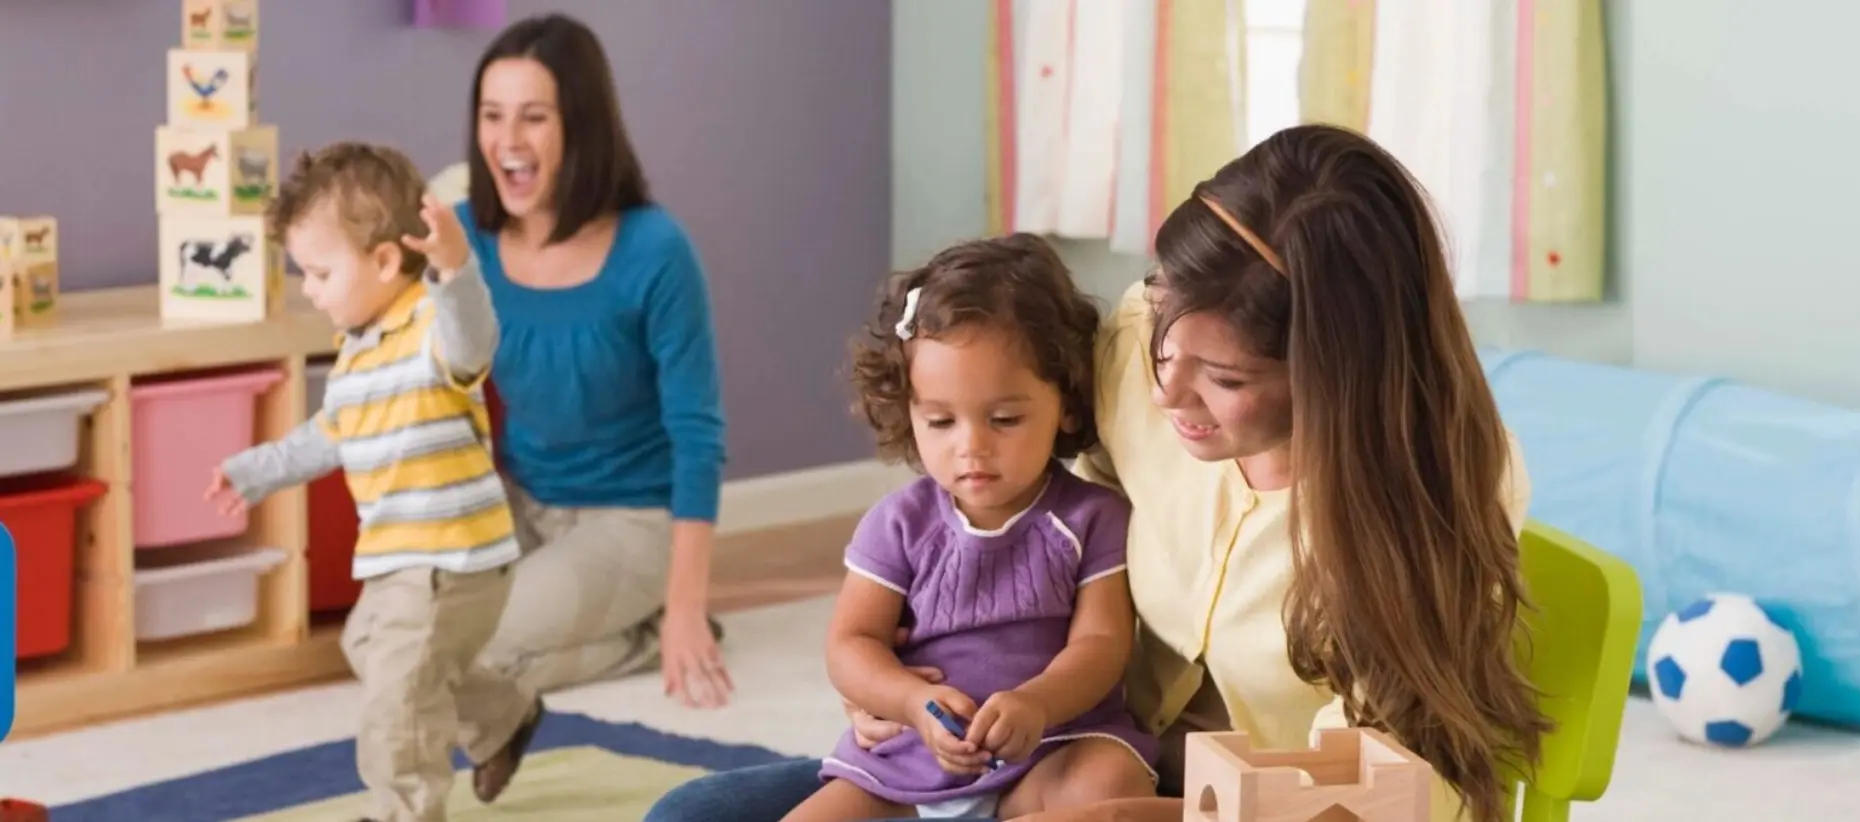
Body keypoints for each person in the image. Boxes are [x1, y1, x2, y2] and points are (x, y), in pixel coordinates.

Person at [645, 123, 1547, 822]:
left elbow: (1412, 791)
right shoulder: (1134, 348)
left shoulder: (1434, 499)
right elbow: (1028, 515)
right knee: (692, 811)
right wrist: (895, 683)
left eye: (1225, 380)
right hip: (1048, 753)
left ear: (1337, 378)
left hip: (1229, 803)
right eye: (1165, 336)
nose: (1168, 394)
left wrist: (1158, 813)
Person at [206, 142, 543, 821]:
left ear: (387, 262)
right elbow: (326, 434)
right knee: (372, 648)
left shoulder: (430, 330)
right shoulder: (358, 353)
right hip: (400, 560)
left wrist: (455, 269)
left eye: (321, 272)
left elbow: (473, 337)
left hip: (450, 556)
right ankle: (502, 718)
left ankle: (403, 813)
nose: (310, 288)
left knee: (398, 695)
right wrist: (255, 470)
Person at [785, 235, 1159, 822]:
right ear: (907, 411)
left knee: (1110, 783)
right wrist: (911, 701)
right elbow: (850, 644)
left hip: (1052, 749)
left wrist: (1036, 704)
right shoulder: (898, 524)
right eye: (939, 421)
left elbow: (1101, 645)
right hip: (905, 768)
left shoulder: (1094, 517)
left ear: (1064, 401)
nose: (971, 448)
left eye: (1005, 419)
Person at [455, 13, 734, 709]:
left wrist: (687, 605)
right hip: (518, 506)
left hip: (633, 523)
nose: (508, 142)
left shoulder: (654, 250)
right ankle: (619, 630)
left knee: (475, 651)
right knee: (407, 637)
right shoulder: (467, 239)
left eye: (534, 117)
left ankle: (650, 628)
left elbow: (697, 439)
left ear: (580, 126)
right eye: (493, 116)